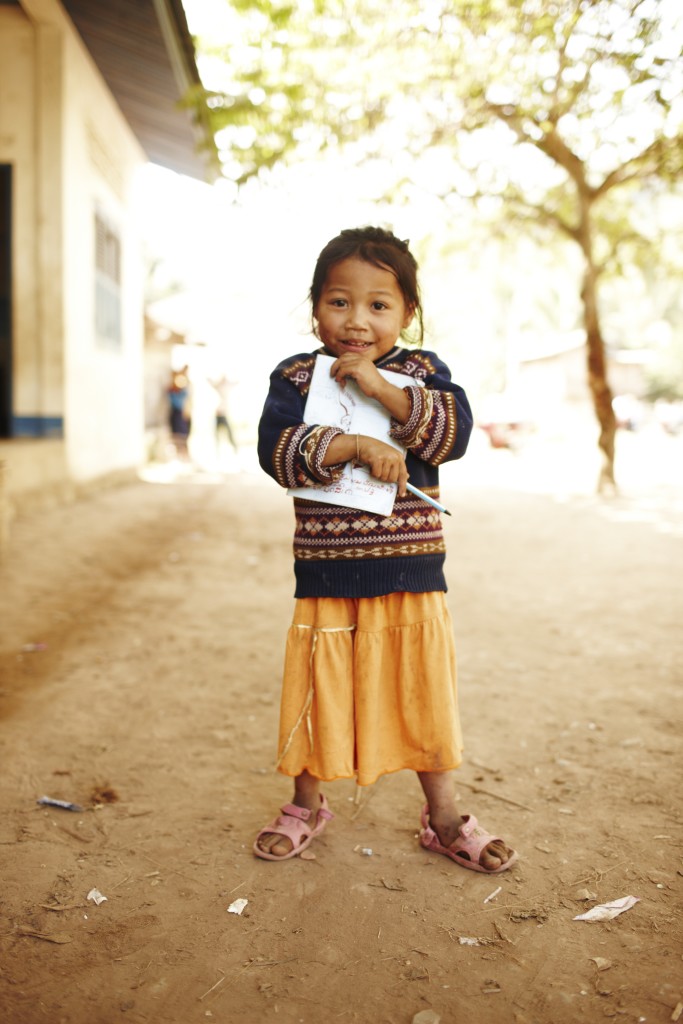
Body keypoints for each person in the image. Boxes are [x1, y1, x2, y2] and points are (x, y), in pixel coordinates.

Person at [255, 226, 517, 874]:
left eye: (379, 305)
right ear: (314, 306)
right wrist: (349, 446)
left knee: (420, 693)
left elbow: (449, 435)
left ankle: (444, 816)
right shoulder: (293, 377)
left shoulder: (422, 373)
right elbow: (277, 452)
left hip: (410, 572)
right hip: (326, 574)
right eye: (339, 301)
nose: (356, 320)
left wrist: (377, 388)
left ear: (407, 314)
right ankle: (306, 805)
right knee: (323, 689)